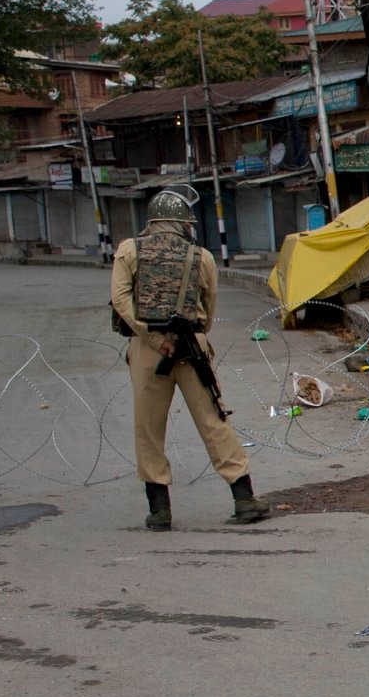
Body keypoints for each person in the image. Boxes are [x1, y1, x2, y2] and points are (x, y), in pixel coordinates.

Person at [109, 186, 270, 531]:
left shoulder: (129, 250)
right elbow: (209, 309)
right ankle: (243, 498)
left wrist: (154, 338)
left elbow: (121, 302)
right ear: (182, 222)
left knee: (148, 428)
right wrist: (194, 335)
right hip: (192, 345)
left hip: (147, 349)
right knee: (213, 419)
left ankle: (159, 510)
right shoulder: (202, 256)